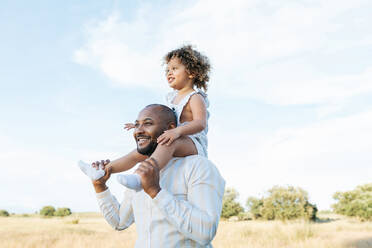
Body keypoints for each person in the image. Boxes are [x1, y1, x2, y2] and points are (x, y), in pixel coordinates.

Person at [89, 104, 225, 247]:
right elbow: (119, 222)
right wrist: (100, 186)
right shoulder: (140, 173)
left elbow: (205, 233)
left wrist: (156, 192)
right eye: (136, 125)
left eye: (148, 124)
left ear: (171, 129)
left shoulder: (199, 167)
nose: (139, 131)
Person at [78, 45, 211, 191]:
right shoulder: (171, 98)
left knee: (169, 142)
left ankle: (140, 177)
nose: (169, 73)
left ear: (191, 72)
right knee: (140, 152)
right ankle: (102, 170)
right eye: (167, 70)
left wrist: (177, 132)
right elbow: (161, 119)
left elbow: (200, 123)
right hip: (173, 137)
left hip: (192, 143)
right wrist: (141, 125)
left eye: (174, 68)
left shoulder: (195, 97)